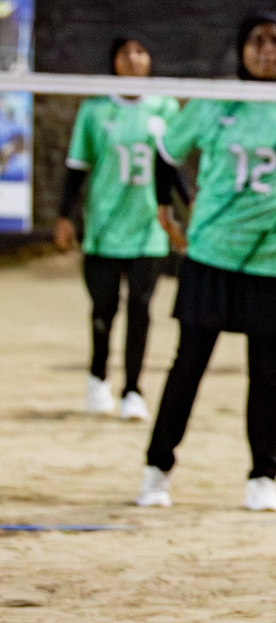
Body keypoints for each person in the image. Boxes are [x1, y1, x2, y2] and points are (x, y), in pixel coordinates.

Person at [136, 12, 276, 513]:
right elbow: (165, 150)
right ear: (241, 48)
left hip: (275, 258)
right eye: (258, 41)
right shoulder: (215, 101)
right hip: (211, 254)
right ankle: (157, 469)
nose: (269, 50)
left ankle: (263, 477)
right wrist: (165, 205)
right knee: (188, 366)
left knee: (267, 374)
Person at [54, 37, 181, 420]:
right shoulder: (94, 110)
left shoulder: (166, 108)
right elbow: (78, 169)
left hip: (149, 227)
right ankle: (98, 379)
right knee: (104, 309)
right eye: (125, 53)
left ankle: (133, 390)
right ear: (114, 61)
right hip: (105, 227)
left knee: (141, 308)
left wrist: (183, 210)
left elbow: (172, 167)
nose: (133, 59)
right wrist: (64, 217)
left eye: (141, 51)